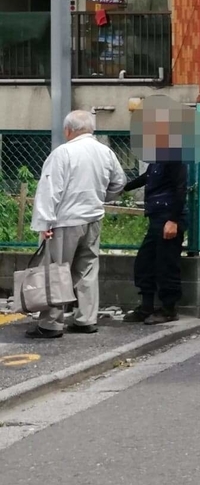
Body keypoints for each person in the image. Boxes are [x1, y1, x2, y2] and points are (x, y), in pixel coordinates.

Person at [27, 110, 126, 339]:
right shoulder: (106, 152)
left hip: (65, 221)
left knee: (56, 270)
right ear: (91, 129)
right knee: (88, 268)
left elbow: (50, 189)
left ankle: (51, 323)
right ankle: (86, 319)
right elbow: (119, 182)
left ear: (68, 130)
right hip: (93, 217)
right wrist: (103, 199)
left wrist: (44, 221)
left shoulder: (63, 153)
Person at [121, 113, 189, 325]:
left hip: (168, 218)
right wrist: (122, 188)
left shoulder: (174, 155)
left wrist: (173, 221)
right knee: (145, 262)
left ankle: (169, 309)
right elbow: (146, 178)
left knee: (166, 265)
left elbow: (180, 189)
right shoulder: (160, 156)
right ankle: (147, 306)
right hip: (157, 218)